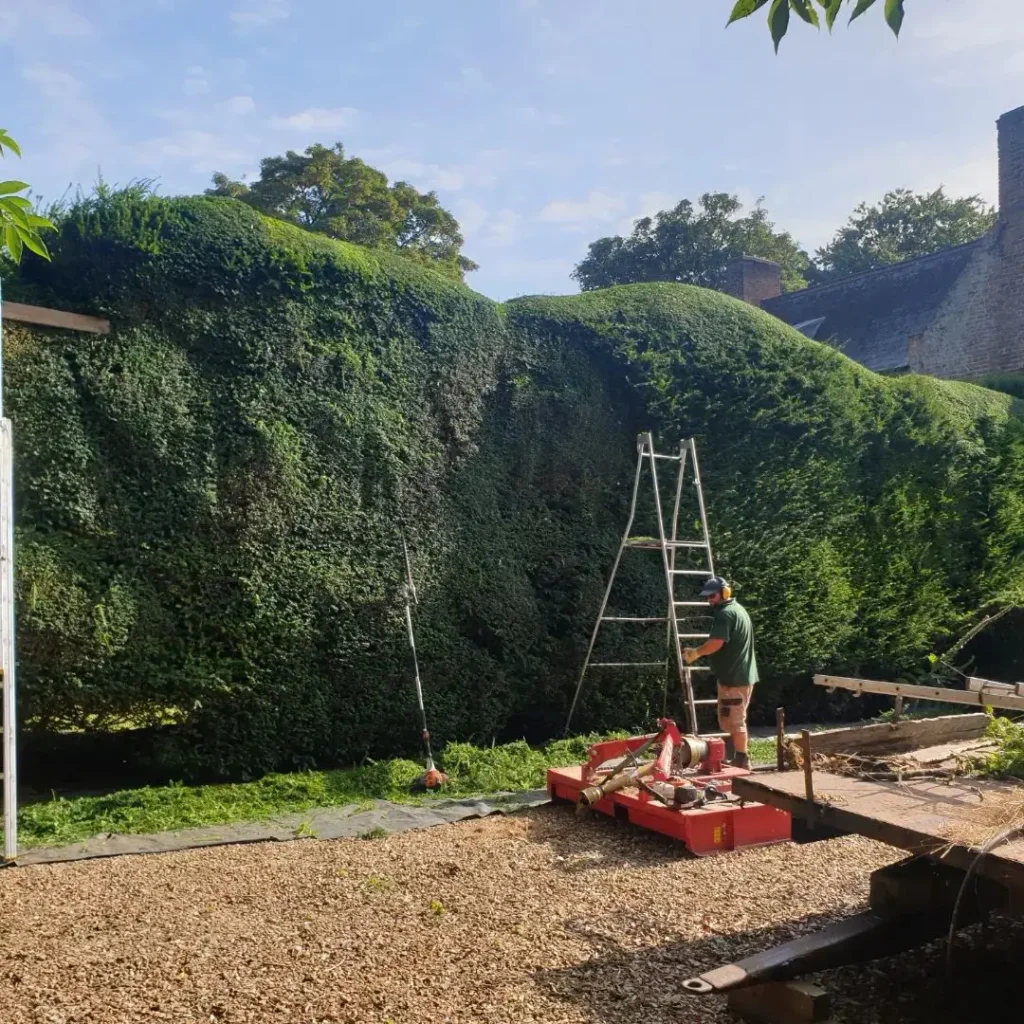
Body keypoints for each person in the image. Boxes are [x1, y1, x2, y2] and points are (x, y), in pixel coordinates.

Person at [681, 576, 758, 770]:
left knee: (735, 720)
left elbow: (716, 643)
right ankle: (739, 757)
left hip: (735, 678)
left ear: (725, 593)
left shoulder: (725, 614)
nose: (710, 600)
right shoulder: (738, 610)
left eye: (713, 596)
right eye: (708, 597)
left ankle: (742, 759)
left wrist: (696, 653)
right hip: (738, 675)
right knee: (733, 718)